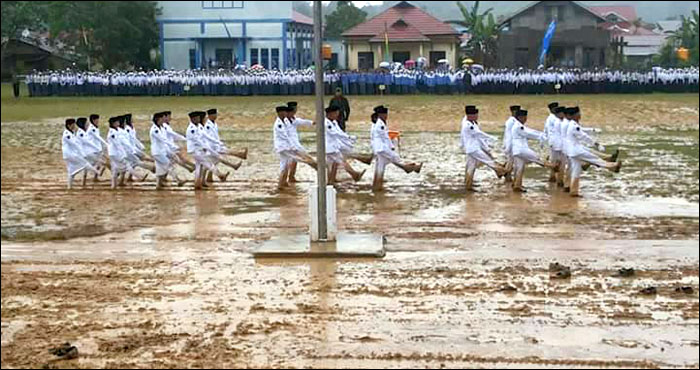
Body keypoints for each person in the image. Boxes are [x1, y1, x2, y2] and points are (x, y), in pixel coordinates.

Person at [565, 106, 622, 197]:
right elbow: (583, 136)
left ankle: (574, 191)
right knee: (595, 159)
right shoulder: (574, 126)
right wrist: (596, 144)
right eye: (578, 114)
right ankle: (613, 166)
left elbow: (582, 131)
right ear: (574, 115)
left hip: (571, 151)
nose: (580, 115)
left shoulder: (573, 124)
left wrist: (592, 130)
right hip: (576, 150)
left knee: (576, 170)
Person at [371, 105, 422, 191]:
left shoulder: (379, 123)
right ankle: (410, 168)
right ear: (381, 115)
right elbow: (385, 138)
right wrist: (391, 147)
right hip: (383, 149)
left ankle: (377, 186)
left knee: (381, 167)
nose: (386, 116)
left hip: (379, 150)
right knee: (396, 159)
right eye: (385, 114)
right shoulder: (380, 125)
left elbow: (384, 135)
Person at [461, 105, 507, 191]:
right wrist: (492, 138)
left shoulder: (471, 122)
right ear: (470, 115)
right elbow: (479, 134)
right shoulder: (468, 125)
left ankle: (468, 186)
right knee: (488, 161)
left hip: (471, 149)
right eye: (475, 115)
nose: (477, 116)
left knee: (471, 167)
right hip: (474, 149)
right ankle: (503, 171)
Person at [510, 109, 557, 192]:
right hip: (522, 149)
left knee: (520, 168)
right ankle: (553, 167)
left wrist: (541, 135)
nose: (525, 119)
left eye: (525, 117)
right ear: (519, 117)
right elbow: (529, 133)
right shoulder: (519, 126)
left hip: (517, 151)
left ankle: (517, 185)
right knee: (537, 158)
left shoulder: (518, 125)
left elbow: (530, 131)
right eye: (524, 117)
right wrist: (541, 136)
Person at [186, 111, 228, 190]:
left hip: (199, 150)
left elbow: (207, 137)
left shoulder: (198, 127)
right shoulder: (192, 129)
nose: (199, 119)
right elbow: (198, 141)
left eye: (199, 118)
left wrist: (218, 142)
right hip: (195, 150)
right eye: (197, 118)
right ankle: (220, 175)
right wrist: (208, 148)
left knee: (199, 167)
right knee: (207, 163)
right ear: (193, 119)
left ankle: (197, 184)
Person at [325, 105, 365, 185]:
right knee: (341, 161)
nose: (337, 115)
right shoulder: (326, 123)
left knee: (334, 164)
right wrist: (349, 137)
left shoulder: (334, 122)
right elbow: (335, 133)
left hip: (333, 146)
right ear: (330, 114)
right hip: (330, 148)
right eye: (336, 113)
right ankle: (355, 175)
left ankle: (331, 181)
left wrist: (348, 139)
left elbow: (340, 132)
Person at [150, 112, 186, 189]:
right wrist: (174, 147)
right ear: (158, 119)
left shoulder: (162, 128)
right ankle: (178, 180)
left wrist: (182, 139)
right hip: (157, 152)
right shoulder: (154, 130)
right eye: (162, 118)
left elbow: (171, 136)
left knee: (160, 168)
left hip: (162, 151)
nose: (164, 119)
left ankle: (158, 185)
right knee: (167, 164)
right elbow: (163, 140)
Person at [284, 102, 317, 183]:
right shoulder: (283, 121)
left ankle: (291, 178)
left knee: (293, 162)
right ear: (289, 111)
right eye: (294, 110)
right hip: (291, 147)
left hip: (295, 145)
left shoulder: (293, 119)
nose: (295, 112)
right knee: (310, 160)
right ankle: (322, 175)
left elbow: (302, 121)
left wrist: (313, 122)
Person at [62, 118, 99, 189]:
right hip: (70, 155)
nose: (74, 126)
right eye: (73, 125)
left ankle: (69, 187)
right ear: (69, 125)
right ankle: (97, 172)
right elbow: (75, 144)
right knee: (85, 163)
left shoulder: (71, 133)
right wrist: (82, 153)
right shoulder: (67, 134)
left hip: (70, 154)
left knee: (71, 172)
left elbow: (76, 143)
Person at [273, 105, 293, 190]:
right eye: (284, 112)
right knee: (284, 165)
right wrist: (292, 145)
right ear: (280, 113)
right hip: (282, 147)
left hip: (286, 147)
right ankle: (280, 185)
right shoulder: (279, 124)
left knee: (287, 164)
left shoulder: (284, 121)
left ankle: (284, 182)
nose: (286, 113)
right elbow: (285, 136)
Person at [502, 105, 520, 183]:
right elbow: (510, 135)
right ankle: (504, 174)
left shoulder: (512, 121)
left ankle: (506, 175)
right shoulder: (512, 122)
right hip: (510, 144)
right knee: (510, 162)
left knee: (510, 162)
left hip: (510, 144)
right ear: (512, 112)